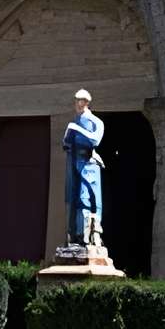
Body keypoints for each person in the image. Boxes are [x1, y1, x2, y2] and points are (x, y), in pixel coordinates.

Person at [62, 89, 105, 247]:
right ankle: (75, 235)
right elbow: (66, 143)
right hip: (74, 162)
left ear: (87, 103)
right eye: (76, 101)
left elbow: (95, 140)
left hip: (89, 163)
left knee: (85, 198)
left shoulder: (95, 121)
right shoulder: (75, 121)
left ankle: (87, 235)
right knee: (73, 199)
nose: (77, 104)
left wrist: (75, 128)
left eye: (80, 101)